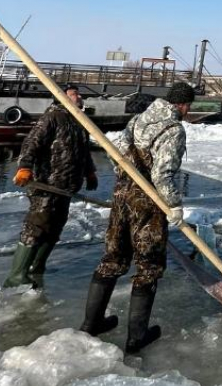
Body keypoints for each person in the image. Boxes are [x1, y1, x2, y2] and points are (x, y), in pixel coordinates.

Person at [80, 81, 194, 352]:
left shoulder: (138, 120)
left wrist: (124, 183)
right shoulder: (173, 130)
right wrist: (174, 205)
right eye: (189, 104)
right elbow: (162, 174)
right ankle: (136, 338)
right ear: (182, 104)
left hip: (121, 198)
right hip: (148, 205)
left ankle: (90, 324)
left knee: (113, 258)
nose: (189, 109)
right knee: (148, 266)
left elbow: (116, 156)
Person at [4, 84, 97, 289]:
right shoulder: (52, 117)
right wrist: (25, 166)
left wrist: (90, 172)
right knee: (37, 225)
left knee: (55, 227)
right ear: (61, 97)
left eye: (78, 94)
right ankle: (17, 274)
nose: (79, 96)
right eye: (74, 94)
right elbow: (32, 142)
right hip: (47, 183)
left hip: (66, 185)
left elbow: (84, 151)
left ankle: (37, 266)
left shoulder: (79, 121)